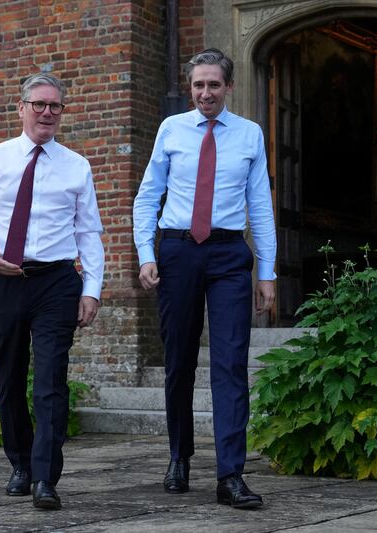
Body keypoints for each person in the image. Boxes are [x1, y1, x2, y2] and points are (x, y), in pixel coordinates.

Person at [132, 48, 276, 509]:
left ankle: (230, 474)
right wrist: (145, 253)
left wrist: (267, 272)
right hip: (177, 252)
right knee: (179, 360)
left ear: (228, 87)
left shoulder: (249, 135)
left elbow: (261, 206)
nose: (206, 93)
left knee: (230, 363)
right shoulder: (171, 130)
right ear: (190, 87)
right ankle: (179, 455)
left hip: (230, 254)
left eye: (214, 85)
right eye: (198, 85)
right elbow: (147, 195)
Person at [0, 72, 104, 510]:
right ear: (20, 108)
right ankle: (20, 463)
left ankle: (45, 477)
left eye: (55, 106)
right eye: (38, 104)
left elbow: (90, 233)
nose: (46, 112)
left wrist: (91, 289)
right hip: (3, 279)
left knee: (51, 380)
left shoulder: (77, 165)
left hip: (56, 282)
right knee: (9, 376)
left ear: (61, 112)